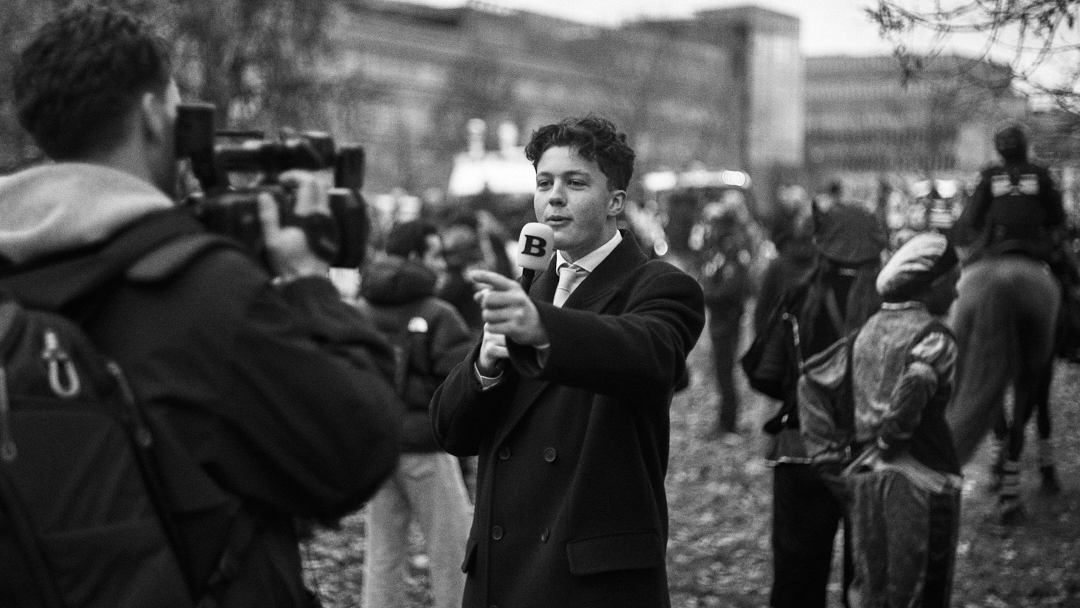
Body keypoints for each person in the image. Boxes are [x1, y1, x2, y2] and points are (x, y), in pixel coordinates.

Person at [0, 6, 401, 606]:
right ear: (154, 114)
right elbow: (356, 452)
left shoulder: (15, 276)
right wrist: (307, 282)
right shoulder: (201, 293)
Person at [429, 115, 705, 607]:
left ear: (615, 202)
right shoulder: (527, 285)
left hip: (589, 583)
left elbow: (647, 352)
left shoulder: (659, 286)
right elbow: (452, 432)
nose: (554, 197)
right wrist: (485, 369)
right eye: (544, 183)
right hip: (500, 575)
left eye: (575, 182)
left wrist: (541, 328)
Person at [756, 196, 886, 608]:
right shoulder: (893, 304)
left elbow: (767, 374)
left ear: (821, 243)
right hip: (875, 458)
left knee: (796, 581)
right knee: (869, 580)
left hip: (802, 453)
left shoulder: (798, 299)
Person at [356, 220, 474, 608]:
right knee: (453, 549)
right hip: (426, 446)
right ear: (413, 258)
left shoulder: (361, 309)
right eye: (435, 254)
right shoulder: (439, 313)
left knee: (383, 553)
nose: (443, 263)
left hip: (376, 446)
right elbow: (459, 383)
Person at [846, 232, 963, 608]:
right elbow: (918, 381)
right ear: (932, 287)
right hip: (919, 478)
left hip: (867, 478)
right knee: (917, 593)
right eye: (953, 285)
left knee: (872, 588)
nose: (957, 295)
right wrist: (891, 438)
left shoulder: (869, 330)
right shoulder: (935, 337)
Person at [700, 208, 754, 439]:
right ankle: (725, 420)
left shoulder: (733, 252)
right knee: (721, 372)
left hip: (727, 320)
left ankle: (729, 422)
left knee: (725, 371)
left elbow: (729, 290)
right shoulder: (719, 251)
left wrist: (705, 294)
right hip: (720, 320)